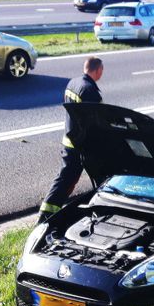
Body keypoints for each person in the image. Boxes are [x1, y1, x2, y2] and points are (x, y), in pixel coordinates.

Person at [38, 56, 104, 222]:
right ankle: (102, 211)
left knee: (65, 179)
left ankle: (46, 214)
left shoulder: (73, 83)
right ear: (98, 70)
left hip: (70, 139)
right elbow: (95, 121)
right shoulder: (90, 90)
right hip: (83, 145)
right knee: (102, 179)